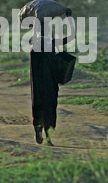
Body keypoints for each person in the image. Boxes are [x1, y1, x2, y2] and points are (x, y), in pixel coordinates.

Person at [30, 12, 75, 146]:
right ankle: (49, 137)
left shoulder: (34, 46)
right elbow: (71, 36)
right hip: (50, 83)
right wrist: (69, 18)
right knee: (50, 108)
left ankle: (38, 130)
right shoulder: (52, 43)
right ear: (49, 32)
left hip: (37, 84)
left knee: (37, 106)